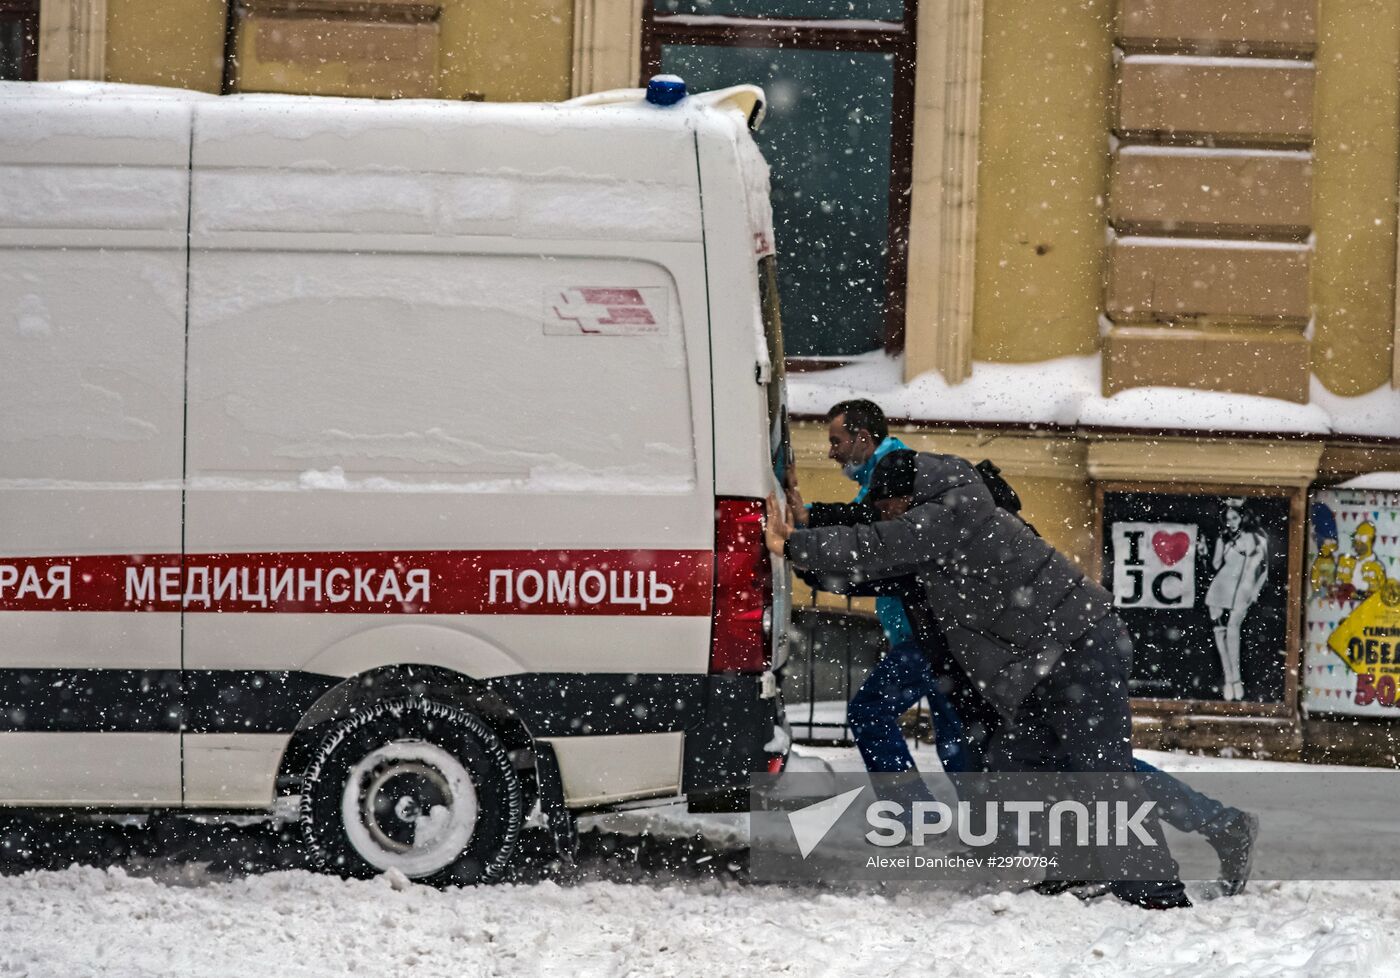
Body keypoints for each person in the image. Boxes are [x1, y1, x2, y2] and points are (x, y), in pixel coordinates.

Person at [768, 447, 1192, 909]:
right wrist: (802, 535)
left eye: (885, 506)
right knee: (1019, 761)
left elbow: (880, 544)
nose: (879, 513)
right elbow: (858, 571)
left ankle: (1157, 892)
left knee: (1101, 771)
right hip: (1037, 663)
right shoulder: (928, 535)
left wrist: (794, 543)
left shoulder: (955, 510)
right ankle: (1076, 867)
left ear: (908, 497)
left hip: (1080, 647)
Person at [853, 450, 1259, 898]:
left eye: (885, 504)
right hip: (1007, 662)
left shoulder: (960, 524)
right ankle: (1081, 857)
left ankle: (1212, 831)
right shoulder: (946, 518)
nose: (881, 513)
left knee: (1089, 766)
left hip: (1041, 661)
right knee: (1044, 760)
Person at [786, 399, 969, 776]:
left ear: (863, 439)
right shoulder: (884, 478)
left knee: (873, 712)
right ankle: (984, 820)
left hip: (930, 631)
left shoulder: (893, 476)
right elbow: (859, 529)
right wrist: (809, 527)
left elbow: (865, 541)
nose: (832, 453)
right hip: (931, 630)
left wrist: (806, 543)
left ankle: (914, 815)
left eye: (837, 442)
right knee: (957, 735)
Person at [1201, 498, 1269, 702]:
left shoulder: (1254, 538)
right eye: (1228, 518)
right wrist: (1204, 552)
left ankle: (1237, 679)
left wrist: (1255, 591)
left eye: (1234, 517)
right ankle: (1229, 679)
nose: (1231, 522)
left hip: (1242, 590)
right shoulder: (1223, 539)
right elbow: (1215, 565)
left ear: (1242, 517)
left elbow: (1263, 568)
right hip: (1220, 588)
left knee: (1233, 630)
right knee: (1219, 634)